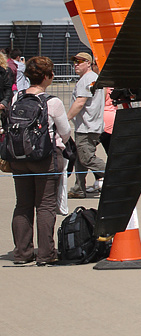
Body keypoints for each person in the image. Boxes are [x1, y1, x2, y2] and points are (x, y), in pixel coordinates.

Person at [9, 56, 71, 265]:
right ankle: (46, 254)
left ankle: (22, 253)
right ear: (47, 77)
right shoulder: (52, 102)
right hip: (45, 158)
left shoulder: (16, 98)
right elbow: (65, 132)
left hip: (19, 158)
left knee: (23, 205)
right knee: (45, 206)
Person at [66, 52, 105, 199]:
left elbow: (80, 102)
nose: (76, 64)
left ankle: (115, 176)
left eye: (80, 62)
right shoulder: (90, 78)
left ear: (88, 63)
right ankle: (78, 188)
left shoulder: (88, 79)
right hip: (88, 126)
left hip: (87, 127)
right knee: (80, 159)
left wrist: (65, 118)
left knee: (86, 158)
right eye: (75, 62)